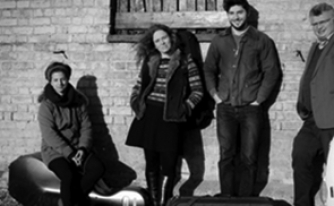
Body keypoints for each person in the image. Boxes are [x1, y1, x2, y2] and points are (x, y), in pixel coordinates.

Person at [203, 0, 280, 197]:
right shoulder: (219, 41)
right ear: (227, 15)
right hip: (225, 108)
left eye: (240, 12)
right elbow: (209, 70)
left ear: (247, 14)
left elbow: (272, 72)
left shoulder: (261, 40)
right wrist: (215, 96)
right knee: (226, 155)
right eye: (232, 13)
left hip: (251, 109)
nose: (236, 17)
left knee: (249, 157)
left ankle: (246, 199)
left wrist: (259, 99)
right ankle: (227, 197)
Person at [125, 24, 203, 206]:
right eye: (157, 40)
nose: (162, 43)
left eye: (164, 38)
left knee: (168, 164)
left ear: (171, 37)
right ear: (153, 44)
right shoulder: (150, 60)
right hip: (149, 115)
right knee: (151, 163)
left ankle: (163, 202)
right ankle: (153, 202)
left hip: (171, 118)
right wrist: (136, 102)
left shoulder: (185, 60)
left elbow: (198, 90)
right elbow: (138, 85)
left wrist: (184, 108)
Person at [37, 62, 105, 206]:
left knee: (97, 168)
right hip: (55, 152)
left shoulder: (78, 101)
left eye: (63, 79)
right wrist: (69, 154)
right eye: (55, 80)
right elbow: (50, 135)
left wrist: (82, 149)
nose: (60, 83)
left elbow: (86, 127)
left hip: (77, 148)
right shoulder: (46, 105)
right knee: (68, 176)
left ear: (68, 79)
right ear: (50, 82)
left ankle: (71, 201)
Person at [292, 3, 334, 206]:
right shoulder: (315, 46)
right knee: (301, 156)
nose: (319, 27)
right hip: (311, 119)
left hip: (331, 118)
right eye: (314, 24)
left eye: (323, 21)